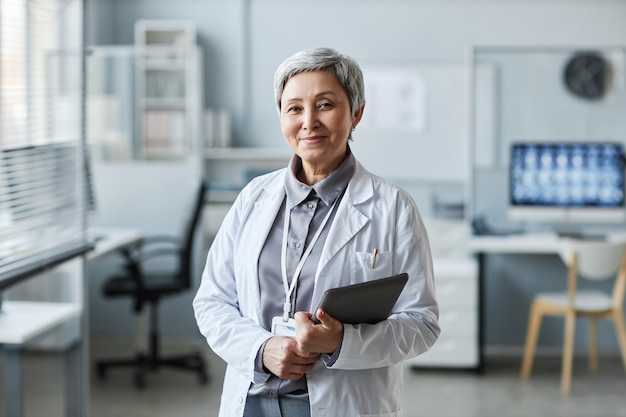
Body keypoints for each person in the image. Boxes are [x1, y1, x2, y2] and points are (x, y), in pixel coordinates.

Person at [193, 47, 439, 417]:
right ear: (281, 116)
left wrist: (342, 341)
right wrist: (261, 349)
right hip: (251, 401)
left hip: (342, 403)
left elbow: (421, 323)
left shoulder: (392, 207)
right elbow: (212, 301)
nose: (309, 121)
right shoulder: (253, 198)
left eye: (325, 105)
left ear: (356, 113)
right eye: (294, 108)